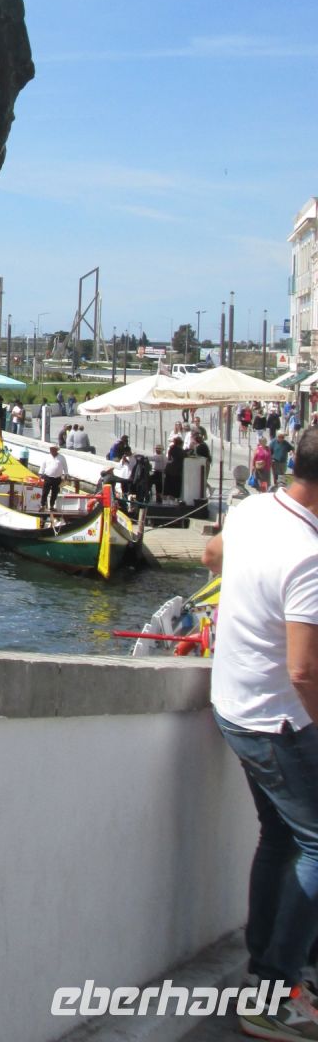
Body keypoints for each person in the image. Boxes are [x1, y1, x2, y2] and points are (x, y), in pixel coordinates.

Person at [202, 426, 318, 1039]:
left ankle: (270, 970)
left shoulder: (252, 509)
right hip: (278, 718)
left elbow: (211, 557)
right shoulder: (309, 553)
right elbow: (303, 670)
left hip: (232, 704)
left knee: (281, 836)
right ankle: (275, 990)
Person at [39, 444, 68, 511]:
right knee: (45, 492)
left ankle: (51, 506)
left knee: (54, 493)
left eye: (52, 449)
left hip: (57, 478)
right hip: (48, 477)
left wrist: (66, 474)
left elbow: (65, 466)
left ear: (56, 450)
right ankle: (42, 505)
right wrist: (40, 473)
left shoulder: (62, 457)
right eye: (50, 449)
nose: (51, 450)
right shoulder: (47, 457)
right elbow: (43, 466)